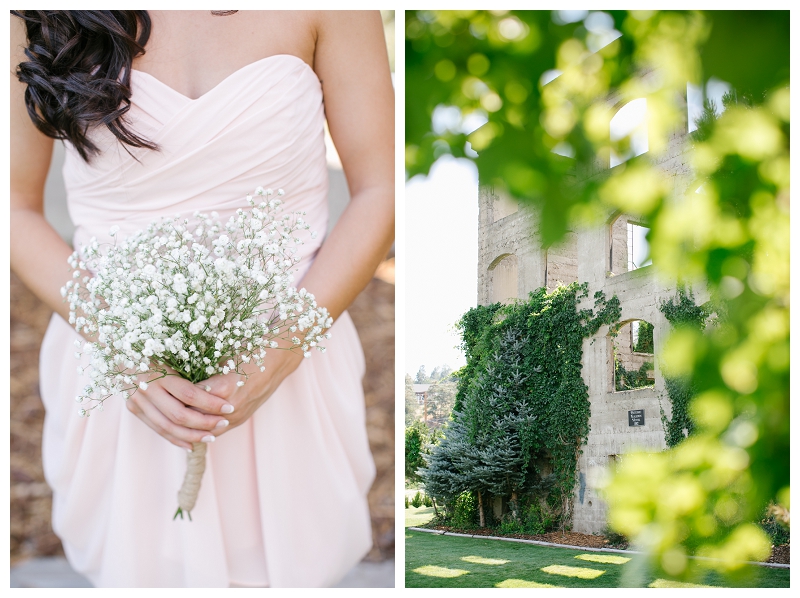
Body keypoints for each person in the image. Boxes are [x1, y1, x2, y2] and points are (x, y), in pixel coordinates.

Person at [10, 10, 394, 588]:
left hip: (289, 363)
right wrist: (122, 343)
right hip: (121, 371)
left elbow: (381, 188)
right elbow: (11, 205)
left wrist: (277, 353)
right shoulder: (37, 12)